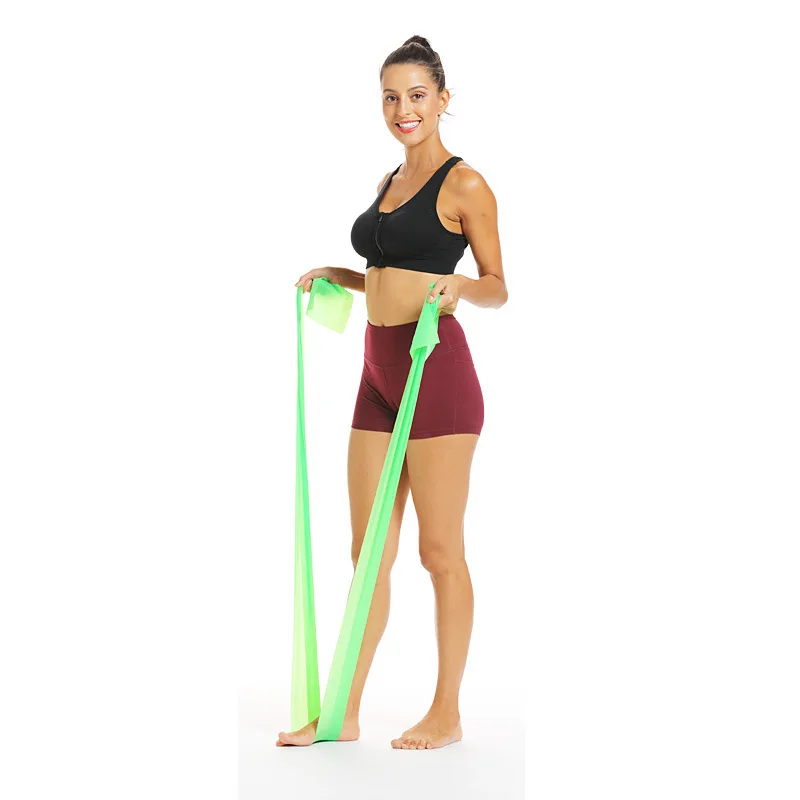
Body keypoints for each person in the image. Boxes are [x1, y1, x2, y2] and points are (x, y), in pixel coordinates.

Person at [278, 35, 507, 751]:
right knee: (367, 550)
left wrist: (462, 286)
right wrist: (337, 274)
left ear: (443, 99)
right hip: (377, 376)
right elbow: (385, 273)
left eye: (416, 95)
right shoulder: (389, 180)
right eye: (390, 96)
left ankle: (447, 713)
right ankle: (342, 713)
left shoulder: (466, 185)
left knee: (439, 551)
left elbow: (498, 286)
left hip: (436, 374)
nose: (403, 108)